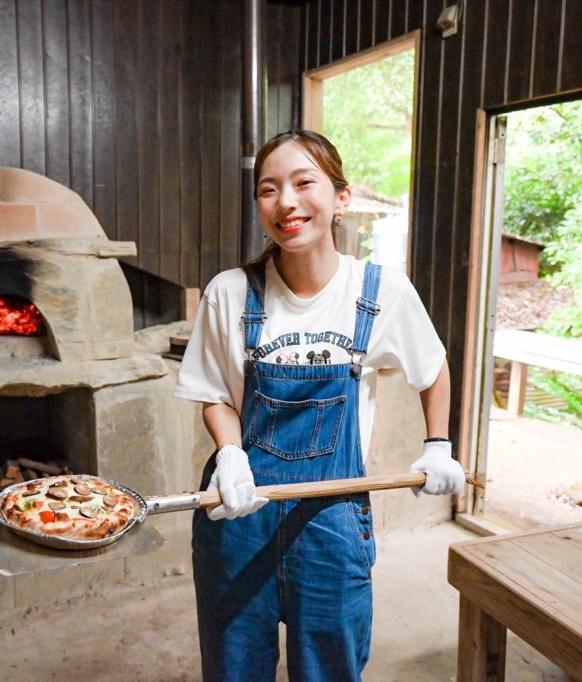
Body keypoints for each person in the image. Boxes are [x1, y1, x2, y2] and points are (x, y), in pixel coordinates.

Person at [174, 129, 465, 681]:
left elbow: (433, 368)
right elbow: (214, 393)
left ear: (341, 197)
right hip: (239, 518)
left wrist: (438, 446)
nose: (286, 201)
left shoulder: (379, 292)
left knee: (329, 671)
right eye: (268, 188)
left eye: (304, 182)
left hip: (332, 524)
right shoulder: (230, 292)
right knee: (235, 670)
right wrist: (230, 453)